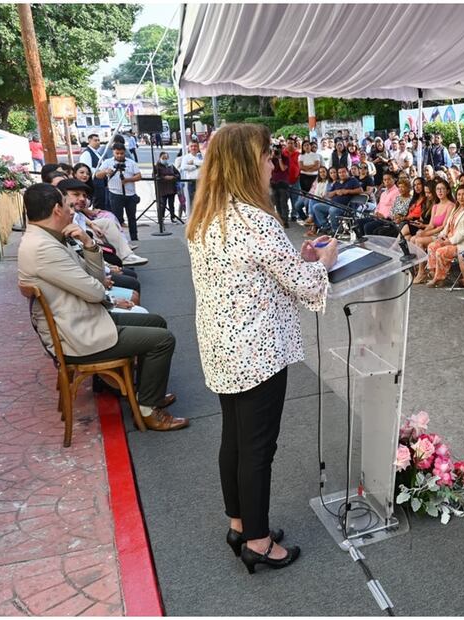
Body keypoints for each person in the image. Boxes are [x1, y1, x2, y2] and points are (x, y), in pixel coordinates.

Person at [186, 124, 337, 572]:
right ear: (246, 163)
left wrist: (299, 261)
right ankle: (257, 541)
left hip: (223, 344)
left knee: (234, 439)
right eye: (268, 156)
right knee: (257, 447)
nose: (273, 163)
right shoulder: (256, 220)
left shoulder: (208, 214)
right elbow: (304, 285)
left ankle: (240, 523)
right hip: (257, 349)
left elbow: (258, 274)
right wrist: (324, 263)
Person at [19, 183, 185, 430]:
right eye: (66, 204)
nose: (72, 209)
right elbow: (96, 290)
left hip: (84, 317)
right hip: (77, 333)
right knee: (163, 340)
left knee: (156, 322)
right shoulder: (43, 247)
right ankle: (148, 409)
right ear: (56, 209)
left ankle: (147, 393)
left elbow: (95, 280)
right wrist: (103, 291)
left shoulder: (48, 238)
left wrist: (88, 243)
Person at [425, 186, 464, 287]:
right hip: (449, 239)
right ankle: (434, 274)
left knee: (440, 251)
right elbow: (447, 226)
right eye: (459, 194)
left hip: (462, 243)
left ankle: (438, 278)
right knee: (432, 246)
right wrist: (441, 236)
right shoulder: (456, 208)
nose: (461, 197)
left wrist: (450, 241)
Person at [95, 143, 142, 240]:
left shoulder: (131, 163)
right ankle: (120, 239)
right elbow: (97, 175)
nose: (119, 155)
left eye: (121, 153)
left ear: (125, 152)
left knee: (132, 218)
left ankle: (134, 238)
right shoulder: (107, 162)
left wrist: (128, 180)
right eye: (117, 153)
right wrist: (105, 172)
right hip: (115, 194)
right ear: (113, 152)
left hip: (130, 194)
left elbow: (138, 176)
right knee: (117, 218)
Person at [411, 179, 455, 283]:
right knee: (413, 238)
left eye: (442, 189)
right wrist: (422, 232)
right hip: (434, 232)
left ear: (448, 191)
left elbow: (443, 226)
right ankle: (418, 269)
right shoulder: (435, 206)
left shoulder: (451, 205)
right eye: (438, 189)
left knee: (419, 241)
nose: (440, 191)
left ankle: (421, 272)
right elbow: (431, 225)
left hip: (442, 234)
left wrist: (425, 233)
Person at [310, 166, 361, 235]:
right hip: (332, 204)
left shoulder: (353, 180)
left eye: (343, 172)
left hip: (344, 207)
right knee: (316, 207)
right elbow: (328, 194)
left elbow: (360, 190)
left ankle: (336, 230)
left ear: (347, 172)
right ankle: (327, 227)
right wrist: (335, 192)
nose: (341, 174)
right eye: (339, 173)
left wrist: (347, 191)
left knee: (332, 210)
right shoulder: (337, 183)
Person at [177, 142, 204, 220]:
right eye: (191, 146)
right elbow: (183, 167)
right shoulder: (186, 157)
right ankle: (193, 218)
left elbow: (204, 164)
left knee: (201, 200)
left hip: (201, 181)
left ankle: (201, 217)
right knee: (192, 201)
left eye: (195, 146)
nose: (193, 148)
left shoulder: (201, 156)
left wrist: (194, 162)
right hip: (191, 182)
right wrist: (195, 166)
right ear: (189, 148)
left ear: (198, 147)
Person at [154, 151, 183, 225]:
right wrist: (164, 178)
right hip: (162, 189)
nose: (165, 159)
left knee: (171, 205)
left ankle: (173, 217)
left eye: (166, 158)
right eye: (163, 158)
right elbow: (155, 176)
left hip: (171, 189)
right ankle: (161, 218)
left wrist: (173, 177)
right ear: (160, 158)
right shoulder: (157, 167)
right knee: (162, 205)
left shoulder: (171, 166)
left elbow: (178, 175)